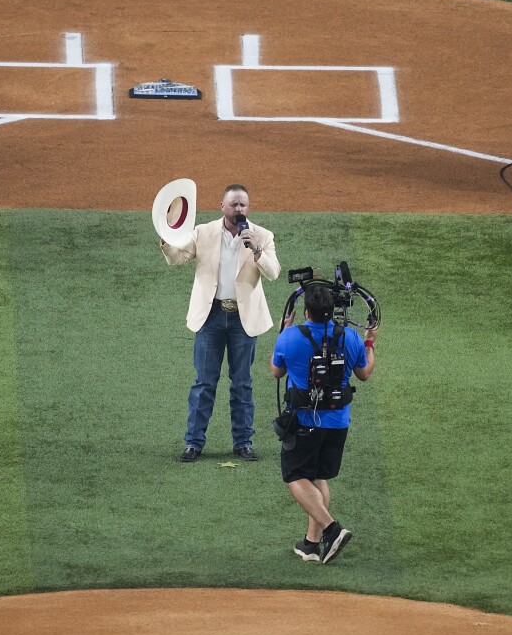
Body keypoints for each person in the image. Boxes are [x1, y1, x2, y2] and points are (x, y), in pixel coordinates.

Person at [160, 184, 280, 462]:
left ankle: (243, 442)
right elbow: (177, 259)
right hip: (211, 317)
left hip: (243, 319)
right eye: (234, 204)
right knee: (204, 382)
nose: (239, 209)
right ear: (222, 207)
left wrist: (257, 249)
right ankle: (193, 443)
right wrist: (166, 241)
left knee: (242, 383)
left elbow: (273, 273)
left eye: (243, 205)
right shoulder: (203, 232)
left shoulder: (262, 236)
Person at [271, 285, 375, 564]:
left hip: (304, 421)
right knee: (318, 476)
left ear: (307, 312)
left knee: (294, 475)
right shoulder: (351, 338)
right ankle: (311, 544)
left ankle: (332, 529)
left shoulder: (290, 338)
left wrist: (283, 330)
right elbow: (364, 374)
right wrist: (370, 342)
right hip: (338, 422)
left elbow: (276, 371)